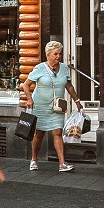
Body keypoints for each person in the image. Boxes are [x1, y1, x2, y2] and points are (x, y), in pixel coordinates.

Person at [22, 39, 75, 172]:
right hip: (39, 106)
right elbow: (26, 85)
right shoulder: (40, 68)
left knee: (57, 132)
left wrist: (77, 101)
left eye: (60, 54)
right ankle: (34, 159)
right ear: (48, 55)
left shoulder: (63, 68)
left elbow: (69, 85)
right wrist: (29, 99)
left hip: (57, 107)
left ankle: (62, 164)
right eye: (55, 54)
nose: (58, 56)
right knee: (39, 134)